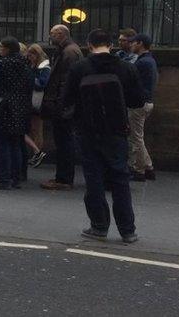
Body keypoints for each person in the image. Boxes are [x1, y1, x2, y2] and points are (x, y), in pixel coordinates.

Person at [64, 29, 144, 244]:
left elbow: (66, 99)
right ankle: (128, 230)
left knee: (94, 179)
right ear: (111, 45)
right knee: (120, 178)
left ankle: (99, 226)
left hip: (88, 130)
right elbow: (138, 100)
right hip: (117, 130)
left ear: (89, 45)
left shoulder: (79, 68)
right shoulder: (126, 67)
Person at [0, 37, 35, 190]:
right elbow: (30, 83)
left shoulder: (2, 63)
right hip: (22, 107)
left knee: (3, 144)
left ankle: (4, 179)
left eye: (1, 47)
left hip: (5, 107)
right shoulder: (25, 63)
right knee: (16, 144)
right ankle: (16, 178)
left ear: (7, 49)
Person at [40, 24, 84, 190]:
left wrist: (61, 103)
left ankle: (64, 179)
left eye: (52, 34)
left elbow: (66, 81)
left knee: (64, 141)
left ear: (61, 34)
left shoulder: (69, 52)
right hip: (64, 104)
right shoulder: (69, 50)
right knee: (64, 141)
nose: (50, 37)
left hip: (64, 106)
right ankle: (62, 177)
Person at [128, 33, 158, 182]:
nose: (131, 45)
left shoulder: (142, 62)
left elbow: (133, 83)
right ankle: (148, 167)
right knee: (138, 137)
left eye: (133, 43)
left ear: (139, 43)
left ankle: (140, 170)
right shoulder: (149, 61)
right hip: (146, 102)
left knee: (136, 139)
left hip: (139, 103)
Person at [25, 43, 50, 167]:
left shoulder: (44, 67)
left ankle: (37, 154)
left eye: (31, 54)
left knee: (36, 129)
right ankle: (34, 154)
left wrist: (30, 80)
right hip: (32, 101)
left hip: (37, 102)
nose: (29, 57)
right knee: (32, 129)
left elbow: (42, 84)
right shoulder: (33, 66)